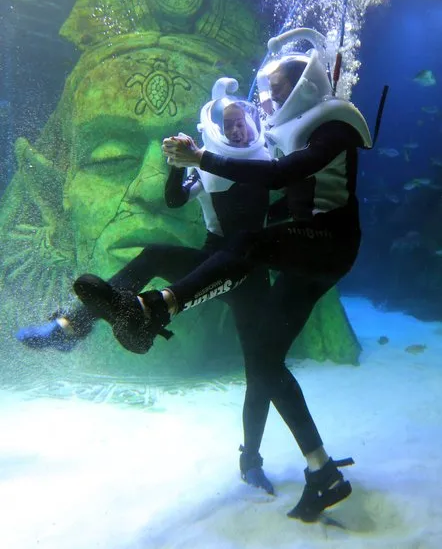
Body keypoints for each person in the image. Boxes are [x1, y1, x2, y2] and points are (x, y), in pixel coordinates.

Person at [74, 27, 373, 522]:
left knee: (249, 246)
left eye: (275, 92)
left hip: (328, 246)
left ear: (305, 86)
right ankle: (321, 472)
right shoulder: (287, 135)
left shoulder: (332, 128)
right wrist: (192, 166)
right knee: (263, 359)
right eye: (267, 93)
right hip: (306, 251)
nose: (267, 101)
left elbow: (280, 181)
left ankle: (153, 308)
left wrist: (203, 158)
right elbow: (276, 194)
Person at [16, 78, 277, 494]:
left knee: (261, 368)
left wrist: (201, 158)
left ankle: (251, 459)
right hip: (212, 260)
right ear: (216, 129)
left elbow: (263, 179)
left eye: (242, 121)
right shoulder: (205, 165)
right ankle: (71, 327)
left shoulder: (263, 158)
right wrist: (176, 165)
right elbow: (175, 200)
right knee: (155, 253)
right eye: (229, 125)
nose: (239, 130)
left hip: (248, 273)